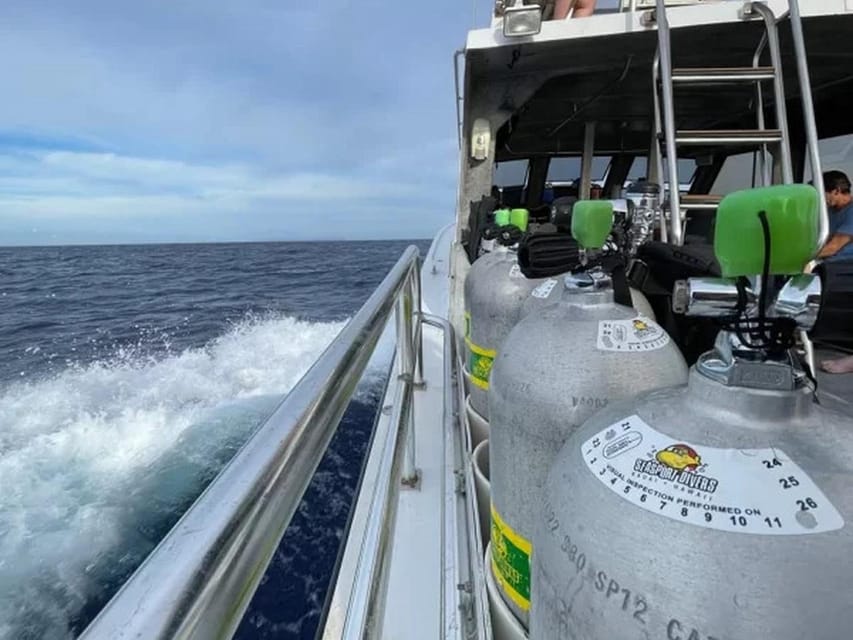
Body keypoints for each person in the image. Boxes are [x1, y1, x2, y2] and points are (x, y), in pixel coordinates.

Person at [813, 171, 853, 373]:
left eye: (824, 195)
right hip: (831, 264)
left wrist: (806, 258)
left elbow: (834, 246)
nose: (822, 201)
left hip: (846, 266)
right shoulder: (832, 212)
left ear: (837, 191)